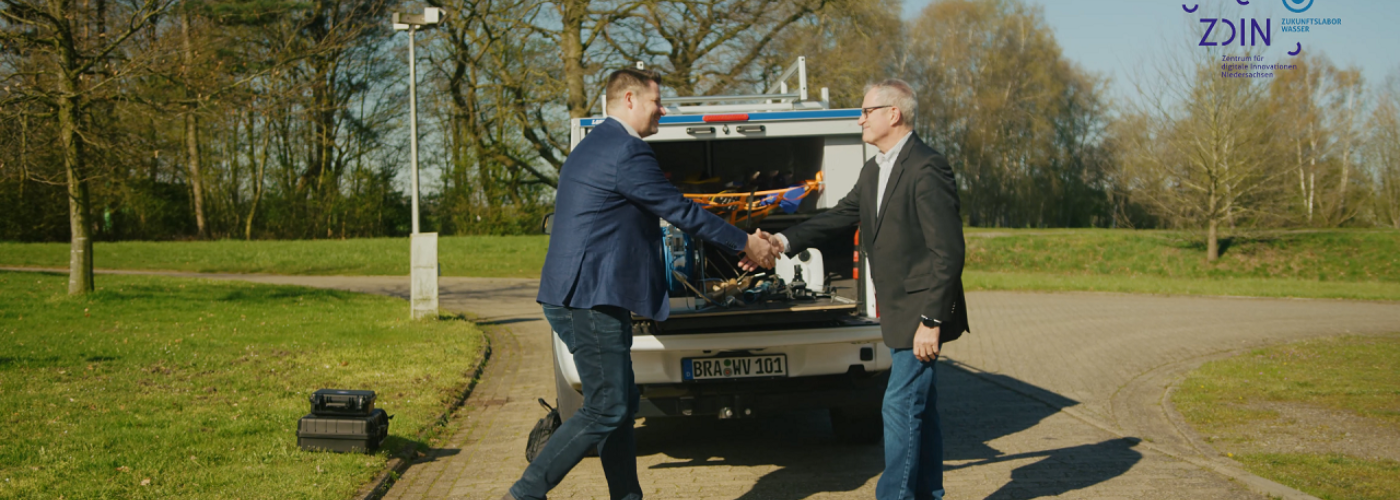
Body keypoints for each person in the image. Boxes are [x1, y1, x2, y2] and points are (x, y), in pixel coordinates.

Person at [506, 68, 778, 500]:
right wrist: (745, 241)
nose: (664, 109)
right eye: (657, 101)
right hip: (590, 296)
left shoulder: (599, 142)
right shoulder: (625, 151)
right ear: (629, 100)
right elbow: (679, 210)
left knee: (618, 402)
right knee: (608, 406)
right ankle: (523, 494)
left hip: (576, 293)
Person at [742, 78, 969, 500]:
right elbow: (840, 216)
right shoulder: (875, 168)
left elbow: (949, 253)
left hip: (920, 315)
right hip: (899, 314)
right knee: (923, 410)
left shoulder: (926, 167)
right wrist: (782, 242)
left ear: (893, 114)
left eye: (866, 111)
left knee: (899, 407)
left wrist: (932, 321)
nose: (859, 118)